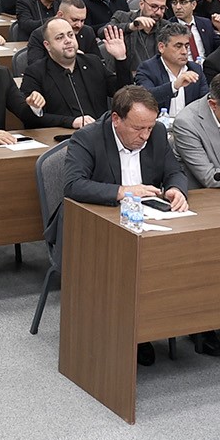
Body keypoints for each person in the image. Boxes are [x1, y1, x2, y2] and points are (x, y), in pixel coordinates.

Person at [58, 88, 199, 362]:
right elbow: (73, 185)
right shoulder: (88, 138)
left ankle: (169, 324)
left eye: (149, 128)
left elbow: (175, 170)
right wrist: (123, 191)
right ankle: (129, 334)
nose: (145, 136)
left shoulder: (157, 133)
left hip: (149, 221)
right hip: (97, 227)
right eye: (138, 129)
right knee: (126, 263)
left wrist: (175, 189)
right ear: (116, 119)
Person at [20, 14, 125, 129]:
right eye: (60, 38)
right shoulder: (35, 72)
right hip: (63, 136)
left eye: (70, 35)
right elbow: (29, 118)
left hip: (99, 133)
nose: (68, 41)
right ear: (47, 45)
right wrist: (71, 122)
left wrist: (121, 59)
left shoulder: (93, 62)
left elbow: (123, 94)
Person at [134, 24, 209, 113]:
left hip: (189, 121)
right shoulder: (147, 69)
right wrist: (174, 86)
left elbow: (205, 102)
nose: (184, 52)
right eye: (178, 46)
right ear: (161, 47)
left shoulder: (195, 69)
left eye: (186, 46)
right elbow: (145, 98)